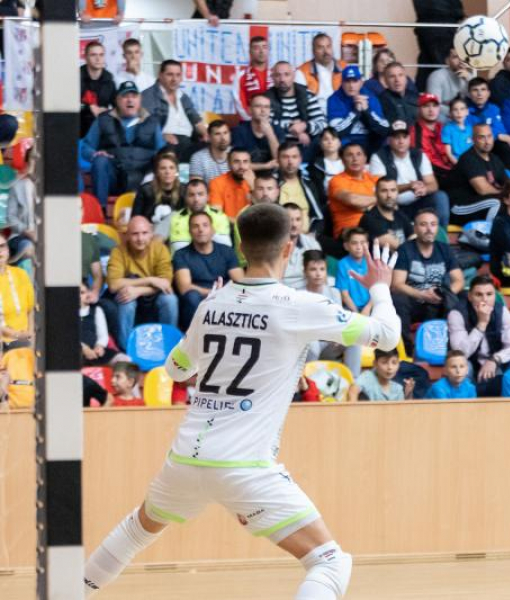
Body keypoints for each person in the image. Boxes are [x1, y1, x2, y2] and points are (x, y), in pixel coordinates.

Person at [83, 203, 401, 597]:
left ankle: (68, 591)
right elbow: (387, 335)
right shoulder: (299, 306)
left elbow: (177, 370)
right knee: (330, 560)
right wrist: (380, 286)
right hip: (246, 465)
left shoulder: (211, 304)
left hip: (187, 457)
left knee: (136, 529)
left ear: (239, 247)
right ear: (289, 248)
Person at [81, 81, 165, 209]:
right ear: (117, 100)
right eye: (125, 96)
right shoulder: (103, 119)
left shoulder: (152, 121)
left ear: (140, 99)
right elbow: (85, 147)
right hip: (113, 177)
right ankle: (100, 210)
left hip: (141, 177)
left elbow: (162, 153)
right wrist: (94, 154)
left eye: (134, 96)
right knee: (100, 161)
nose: (130, 100)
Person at [391, 208, 464, 350]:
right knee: (398, 299)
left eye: (433, 224)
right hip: (415, 302)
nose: (429, 229)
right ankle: (406, 348)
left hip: (439, 301)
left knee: (465, 297)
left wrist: (444, 294)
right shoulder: (405, 249)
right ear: (415, 228)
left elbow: (459, 280)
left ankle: (455, 346)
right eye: (423, 224)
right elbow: (397, 284)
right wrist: (421, 294)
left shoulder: (444, 249)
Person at [105, 216, 177, 346]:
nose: (140, 239)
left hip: (153, 296)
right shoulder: (118, 251)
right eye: (135, 234)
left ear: (151, 234)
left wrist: (139, 290)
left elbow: (165, 284)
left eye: (144, 233)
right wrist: (150, 279)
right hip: (129, 296)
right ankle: (126, 348)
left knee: (170, 300)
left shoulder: (160, 249)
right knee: (125, 298)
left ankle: (169, 345)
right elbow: (113, 285)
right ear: (127, 235)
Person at [447, 274, 510, 397]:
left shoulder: (502, 311)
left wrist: (494, 360)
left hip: (495, 362)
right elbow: (460, 354)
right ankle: (462, 408)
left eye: (489, 294)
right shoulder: (457, 313)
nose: (484, 299)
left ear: (495, 296)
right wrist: (481, 324)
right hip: (469, 362)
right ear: (470, 296)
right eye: (479, 294)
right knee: (463, 367)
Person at [370, 120, 450, 227]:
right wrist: (409, 186)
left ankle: (440, 237)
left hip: (418, 203)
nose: (401, 141)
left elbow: (433, 184)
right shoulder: (379, 157)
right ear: (389, 140)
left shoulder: (418, 154)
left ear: (409, 138)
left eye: (404, 137)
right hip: (393, 206)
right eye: (396, 137)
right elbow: (381, 190)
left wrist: (424, 189)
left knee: (440, 197)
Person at [173, 212, 243, 330]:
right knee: (191, 296)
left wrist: (223, 294)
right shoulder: (181, 255)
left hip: (225, 297)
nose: (200, 229)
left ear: (212, 230)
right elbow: (184, 287)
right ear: (189, 231)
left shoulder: (226, 251)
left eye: (205, 225)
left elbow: (241, 281)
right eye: (195, 226)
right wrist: (214, 293)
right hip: (198, 300)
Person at [301, 250, 362, 377]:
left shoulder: (334, 293)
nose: (318, 274)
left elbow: (339, 321)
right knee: (311, 344)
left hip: (330, 343)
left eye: (322, 269)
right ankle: (308, 382)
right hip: (308, 344)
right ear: (305, 271)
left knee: (354, 337)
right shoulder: (298, 295)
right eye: (313, 269)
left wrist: (338, 334)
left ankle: (353, 381)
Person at [141, 60, 208, 162]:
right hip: (165, 143)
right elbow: (143, 125)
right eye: (170, 75)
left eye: (178, 75)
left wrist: (205, 134)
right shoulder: (148, 95)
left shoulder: (183, 97)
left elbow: (196, 120)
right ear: (160, 75)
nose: (174, 79)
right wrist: (160, 135)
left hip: (188, 141)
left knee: (211, 146)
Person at [446, 123, 509, 225]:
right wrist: (507, 194)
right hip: (460, 207)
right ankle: (490, 235)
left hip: (481, 203)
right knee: (496, 202)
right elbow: (483, 189)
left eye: (489, 136)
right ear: (473, 139)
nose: (487, 141)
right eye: (482, 138)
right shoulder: (468, 158)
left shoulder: (495, 159)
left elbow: (507, 183)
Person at [327, 65, 390, 155]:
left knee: (382, 140)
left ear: (361, 82)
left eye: (355, 81)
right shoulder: (334, 99)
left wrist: (367, 111)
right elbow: (336, 132)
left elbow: (384, 129)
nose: (351, 85)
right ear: (342, 83)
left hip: (368, 141)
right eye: (347, 81)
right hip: (346, 142)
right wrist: (355, 113)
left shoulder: (371, 98)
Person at [265, 61, 326, 150]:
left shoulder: (307, 95)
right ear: (272, 78)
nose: (282, 79)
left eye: (287, 74)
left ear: (293, 76)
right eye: (278, 75)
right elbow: (264, 125)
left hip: (306, 147)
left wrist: (305, 126)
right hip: (279, 147)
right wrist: (292, 128)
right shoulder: (267, 98)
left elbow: (322, 124)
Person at [466, 78, 510, 174]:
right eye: (475, 90)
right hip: (475, 143)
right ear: (469, 94)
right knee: (504, 146)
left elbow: (500, 128)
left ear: (488, 93)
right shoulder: (465, 110)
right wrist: (497, 135)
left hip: (493, 142)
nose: (479, 94)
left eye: (483, 90)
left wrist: (497, 135)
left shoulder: (494, 108)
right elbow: (469, 130)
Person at [159, 179, 231, 254]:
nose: (196, 199)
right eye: (191, 195)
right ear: (185, 198)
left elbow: (226, 250)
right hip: (179, 263)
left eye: (200, 194)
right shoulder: (174, 217)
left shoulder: (220, 217)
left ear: (208, 197)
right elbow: (155, 242)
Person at [327, 143, 378, 237]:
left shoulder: (373, 179)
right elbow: (353, 200)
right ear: (342, 160)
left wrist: (365, 205)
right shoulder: (336, 181)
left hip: (376, 228)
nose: (355, 159)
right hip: (349, 232)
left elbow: (392, 193)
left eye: (359, 154)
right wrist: (379, 199)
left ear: (365, 158)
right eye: (350, 155)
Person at [231, 95, 287, 173]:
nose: (263, 110)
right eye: (258, 106)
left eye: (266, 107)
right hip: (246, 175)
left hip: (271, 178)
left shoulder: (277, 130)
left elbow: (280, 160)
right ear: (249, 110)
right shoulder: (239, 131)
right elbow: (238, 164)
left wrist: (270, 134)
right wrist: (265, 166)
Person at [359, 177, 413, 252]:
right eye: (384, 191)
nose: (389, 195)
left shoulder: (399, 214)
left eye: (393, 190)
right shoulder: (370, 218)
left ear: (397, 193)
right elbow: (397, 248)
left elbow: (414, 237)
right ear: (376, 194)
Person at [411, 93, 454, 185]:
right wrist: (453, 171)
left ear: (439, 108)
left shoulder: (443, 127)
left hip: (450, 170)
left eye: (434, 106)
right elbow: (426, 163)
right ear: (419, 109)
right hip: (433, 177)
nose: (431, 110)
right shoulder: (416, 132)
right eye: (426, 106)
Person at [132, 153, 185, 227]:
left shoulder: (184, 190)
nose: (167, 172)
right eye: (163, 168)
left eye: (171, 168)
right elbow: (135, 218)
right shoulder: (145, 190)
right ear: (157, 172)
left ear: (176, 171)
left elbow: (187, 216)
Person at [297, 33, 346, 113]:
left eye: (328, 46)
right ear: (313, 51)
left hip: (341, 112)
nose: (326, 51)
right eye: (320, 47)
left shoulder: (344, 67)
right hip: (315, 114)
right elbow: (301, 102)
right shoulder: (302, 72)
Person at [81, 281, 126, 367]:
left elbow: (103, 334)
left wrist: (100, 346)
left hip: (95, 351)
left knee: (124, 360)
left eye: (84, 292)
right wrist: (83, 348)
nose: (79, 296)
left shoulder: (96, 310)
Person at [80, 41, 116, 137]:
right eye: (93, 55)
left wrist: (107, 112)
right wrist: (88, 107)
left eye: (101, 55)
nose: (98, 58)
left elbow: (117, 106)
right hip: (78, 130)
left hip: (102, 131)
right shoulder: (76, 78)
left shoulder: (109, 80)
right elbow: (68, 105)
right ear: (85, 58)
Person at [282, 204, 322, 290]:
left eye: (298, 219)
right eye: (290, 220)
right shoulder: (271, 244)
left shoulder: (312, 243)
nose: (294, 224)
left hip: (307, 288)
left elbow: (319, 273)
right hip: (282, 289)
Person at [349, 348, 413, 402]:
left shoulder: (398, 389)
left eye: (394, 363)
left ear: (398, 364)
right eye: (384, 362)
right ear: (375, 364)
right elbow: (353, 389)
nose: (390, 367)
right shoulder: (368, 377)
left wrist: (408, 395)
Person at [427, 48, 471, 121]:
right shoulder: (437, 76)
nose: (460, 61)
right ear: (447, 61)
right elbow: (434, 104)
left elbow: (476, 99)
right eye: (455, 57)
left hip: (463, 116)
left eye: (462, 57)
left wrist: (469, 79)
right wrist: (456, 112)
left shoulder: (468, 76)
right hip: (444, 116)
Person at [234, 36, 272, 121]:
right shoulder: (241, 76)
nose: (261, 51)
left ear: (268, 51)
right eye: (256, 48)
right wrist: (253, 122)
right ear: (250, 52)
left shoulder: (274, 74)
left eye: (264, 47)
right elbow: (239, 103)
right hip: (249, 124)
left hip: (273, 123)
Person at [209, 149, 253, 220]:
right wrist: (239, 223)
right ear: (229, 164)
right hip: (227, 228)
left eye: (245, 162)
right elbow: (216, 213)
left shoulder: (256, 181)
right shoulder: (217, 183)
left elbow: (264, 211)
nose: (241, 166)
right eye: (236, 162)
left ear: (250, 164)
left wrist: (253, 187)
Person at [335, 228, 371, 315]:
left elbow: (377, 291)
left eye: (362, 243)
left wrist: (368, 308)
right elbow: (344, 294)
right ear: (346, 246)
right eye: (354, 243)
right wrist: (357, 313)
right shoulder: (342, 264)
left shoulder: (371, 262)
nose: (359, 247)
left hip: (371, 306)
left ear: (368, 245)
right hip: (351, 309)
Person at [309, 127, 344, 203]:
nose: (330, 142)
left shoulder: (347, 163)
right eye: (326, 139)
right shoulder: (315, 165)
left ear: (339, 143)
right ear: (320, 143)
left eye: (333, 139)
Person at [379, 62, 420, 127]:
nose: (397, 80)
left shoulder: (415, 97)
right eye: (392, 76)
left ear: (406, 78)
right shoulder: (381, 100)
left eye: (400, 75)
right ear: (385, 81)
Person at [442, 98, 473, 165]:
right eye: (455, 109)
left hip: (472, 161)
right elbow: (448, 153)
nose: (459, 112)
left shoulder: (470, 128)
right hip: (458, 162)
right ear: (450, 113)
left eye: (462, 109)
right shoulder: (447, 129)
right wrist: (459, 166)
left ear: (467, 112)